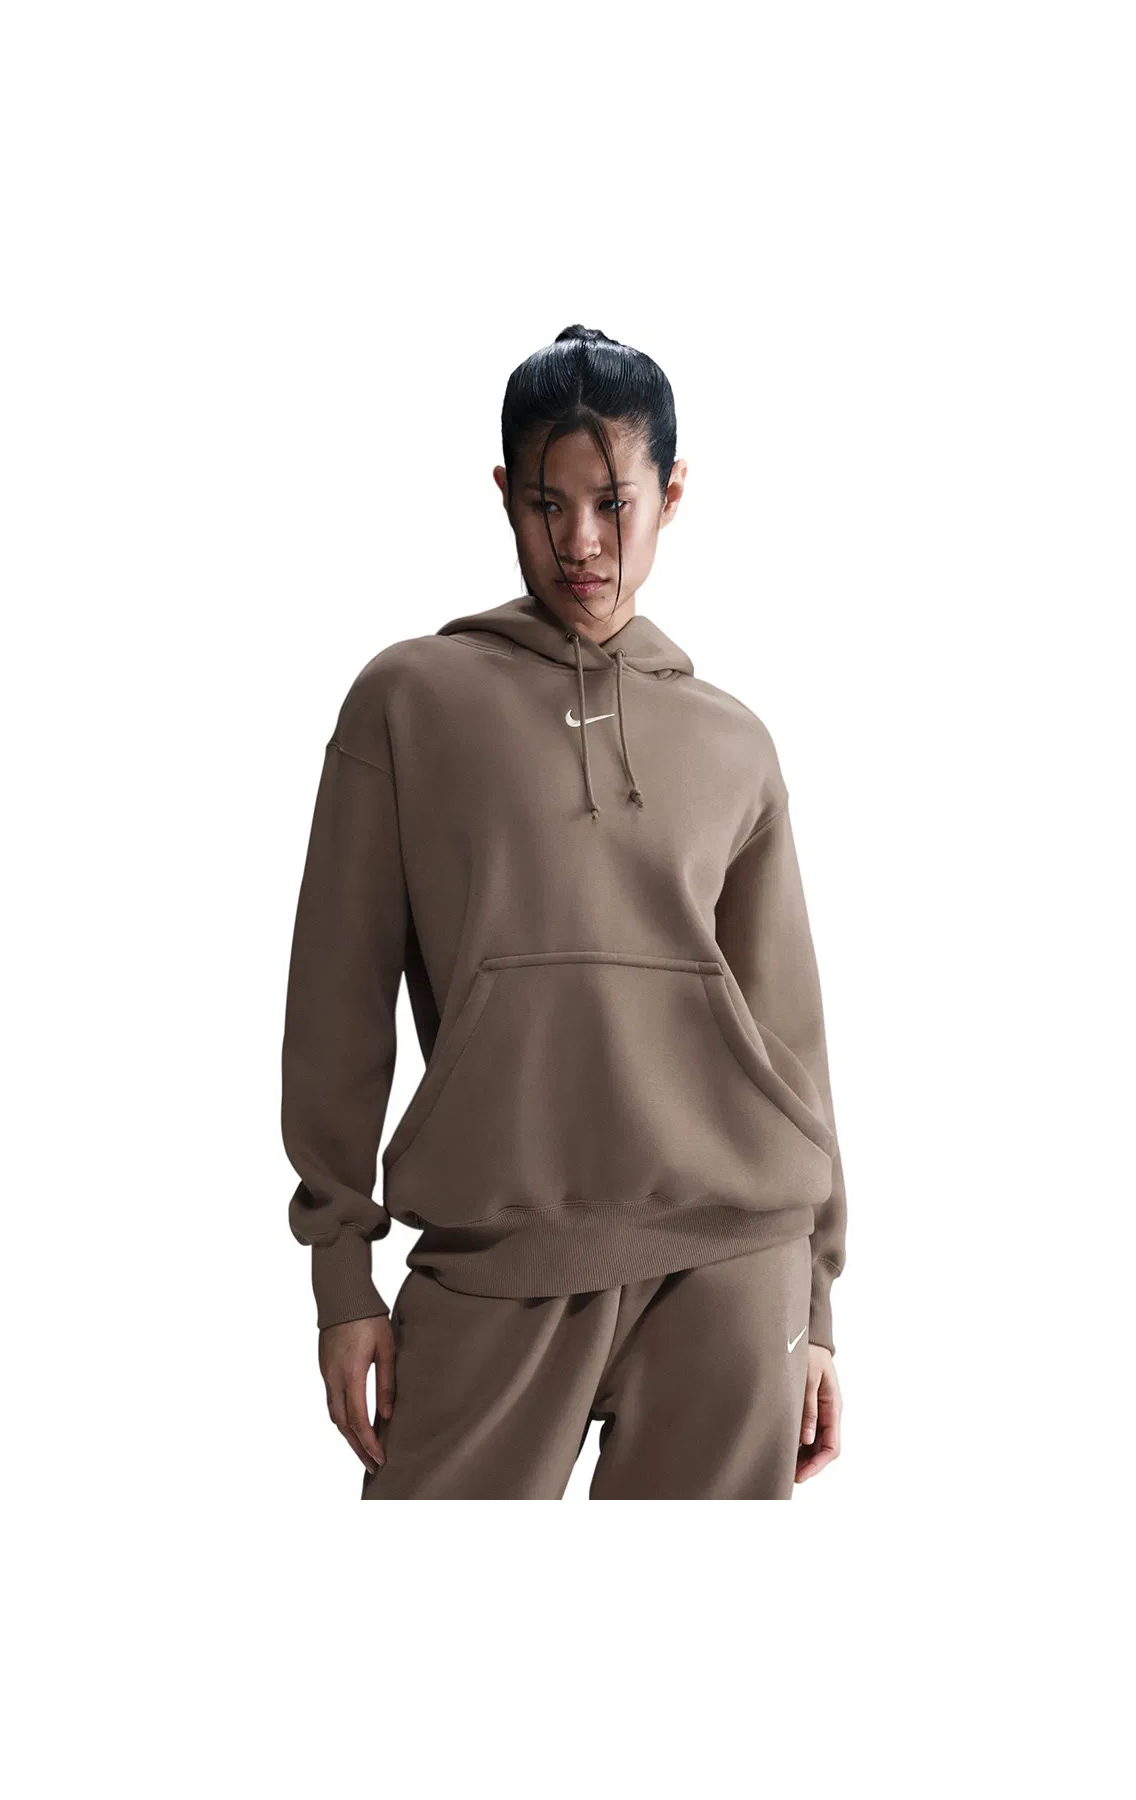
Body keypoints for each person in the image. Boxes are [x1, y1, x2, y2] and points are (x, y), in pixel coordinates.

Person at [280, 323, 848, 1500]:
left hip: (735, 1260)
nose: (581, 542)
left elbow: (787, 1038)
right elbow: (337, 1005)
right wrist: (343, 1280)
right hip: (496, 1255)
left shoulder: (734, 743)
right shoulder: (409, 701)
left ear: (670, 495)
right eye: (548, 504)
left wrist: (818, 1308)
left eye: (613, 503)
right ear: (505, 494)